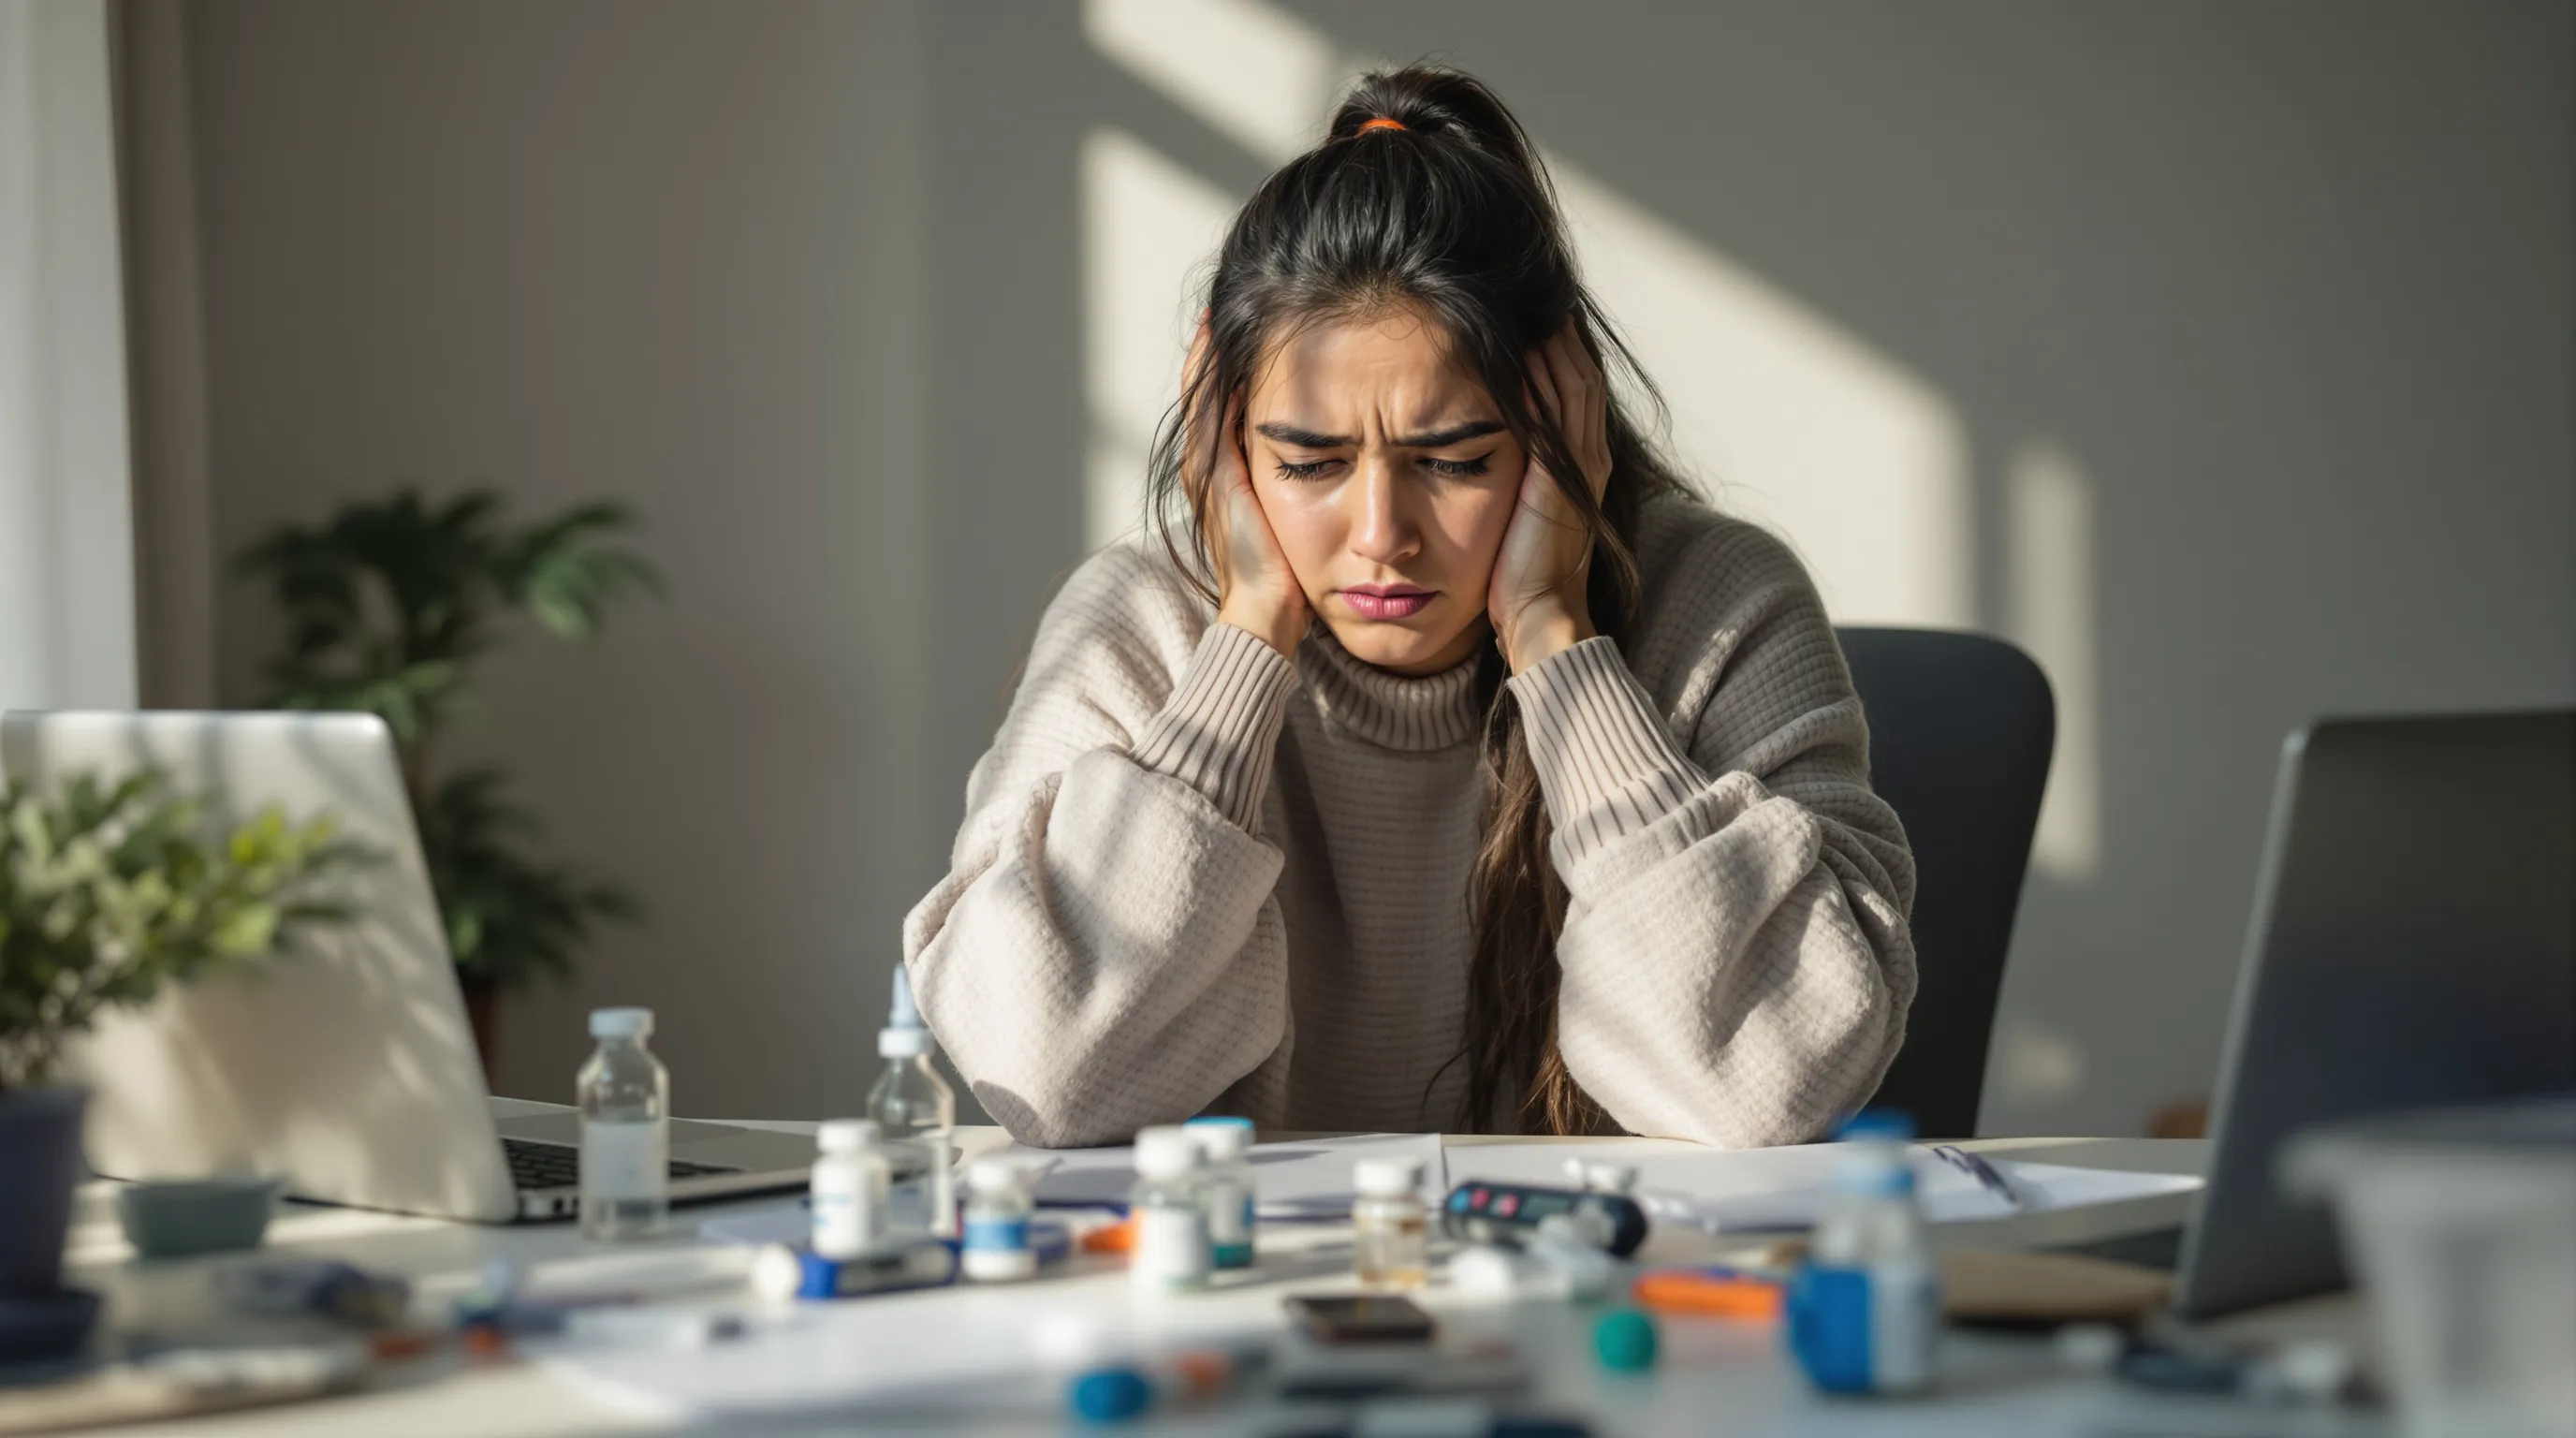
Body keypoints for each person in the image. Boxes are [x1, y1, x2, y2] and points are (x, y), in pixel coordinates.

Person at [902, 66, 1916, 1148]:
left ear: (1559, 423)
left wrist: (1554, 641)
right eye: (1308, 462)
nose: (1381, 533)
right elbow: (1042, 1078)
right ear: (1224, 439)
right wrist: (1246, 635)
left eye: (1455, 459)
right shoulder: (1138, 624)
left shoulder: (1722, 608)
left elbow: (1768, 1092)